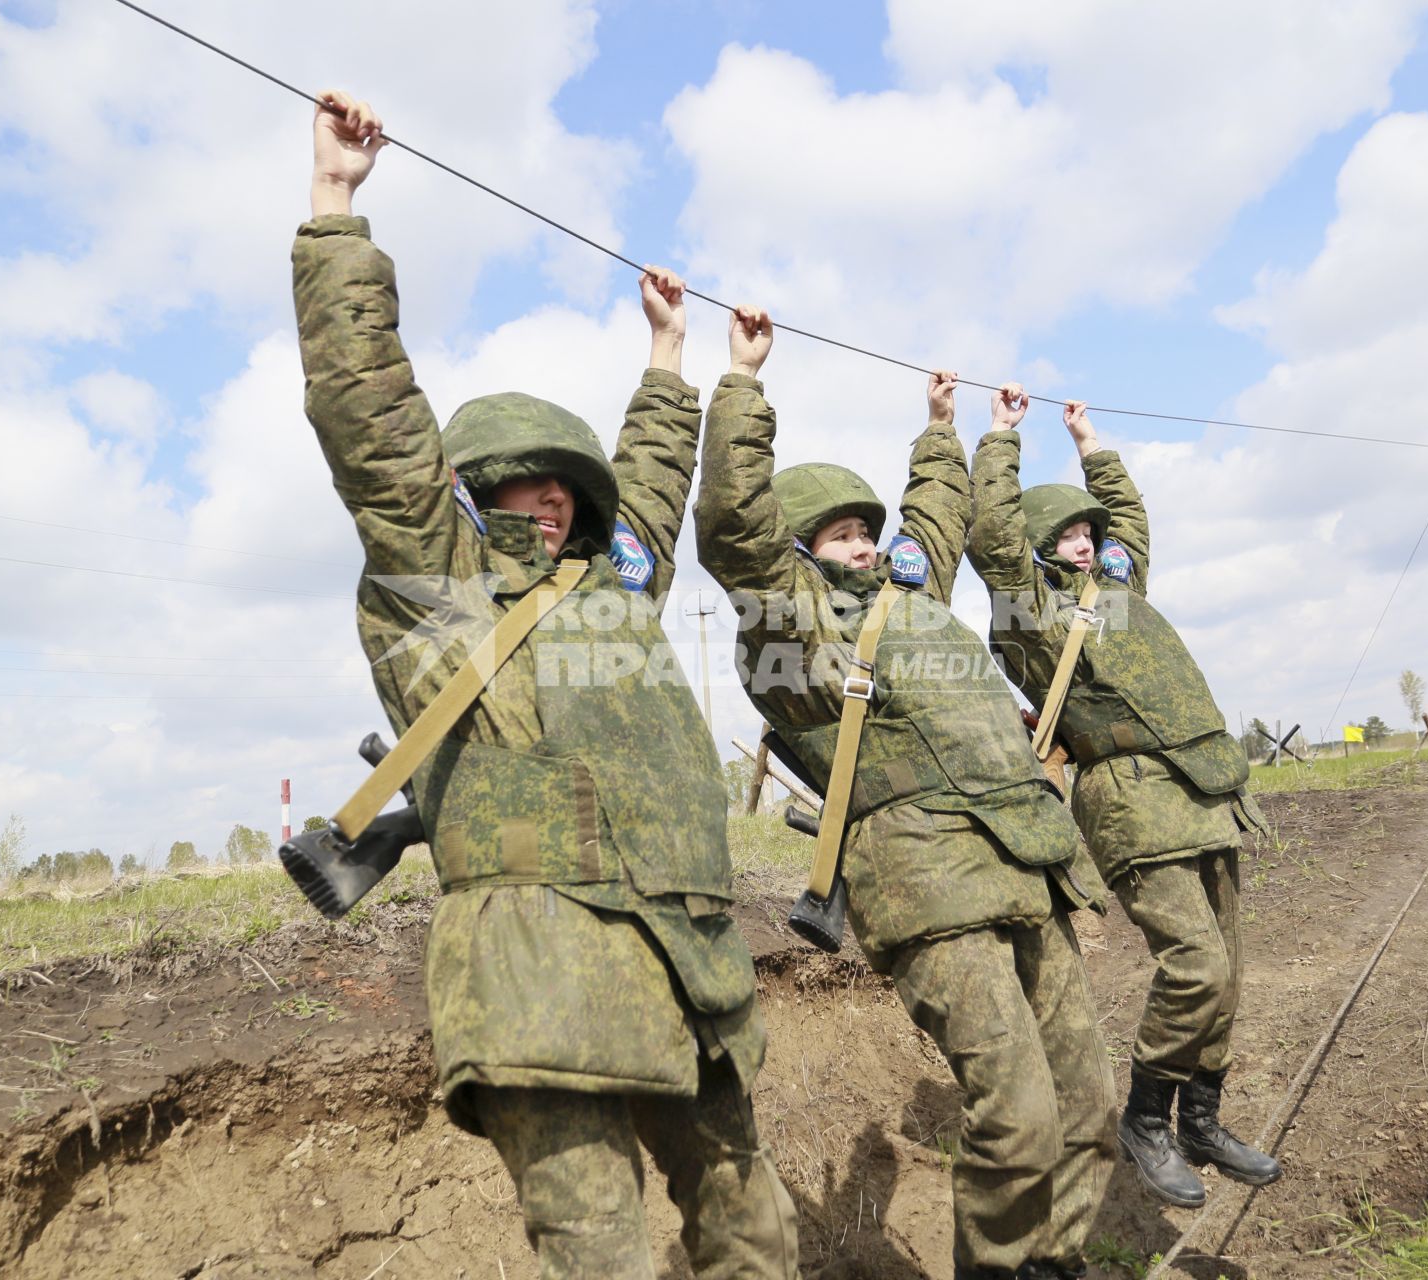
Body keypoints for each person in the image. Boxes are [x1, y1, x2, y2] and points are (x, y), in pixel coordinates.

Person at [292, 90, 797, 1278]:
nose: (553, 499)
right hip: (538, 965)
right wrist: (334, 207)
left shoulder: (613, 589)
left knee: (753, 1230)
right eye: (523, 483)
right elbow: (367, 412)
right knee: (600, 1251)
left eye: (564, 484)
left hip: (685, 955)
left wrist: (680, 356)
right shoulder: (442, 579)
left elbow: (655, 483)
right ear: (469, 494)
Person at [694, 316, 1112, 1280]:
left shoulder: (910, 600)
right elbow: (734, 527)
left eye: (866, 532)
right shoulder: (791, 636)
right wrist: (743, 383)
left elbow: (934, 521)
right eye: (838, 535)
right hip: (927, 885)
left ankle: (1056, 1261)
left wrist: (951, 427)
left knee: (1085, 1107)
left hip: (1025, 860)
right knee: (1017, 1113)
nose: (863, 545)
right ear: (798, 553)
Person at [967, 395, 1281, 1210]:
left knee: (1229, 976)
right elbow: (992, 543)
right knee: (1196, 967)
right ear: (1042, 547)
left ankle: (1202, 1119)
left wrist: (1089, 444)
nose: (1089, 542)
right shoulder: (1030, 613)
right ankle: (1146, 1121)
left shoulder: (1120, 587)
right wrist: (1001, 438)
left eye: (1089, 532)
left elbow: (1131, 521)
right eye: (1070, 534)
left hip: (1204, 790)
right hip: (1132, 801)